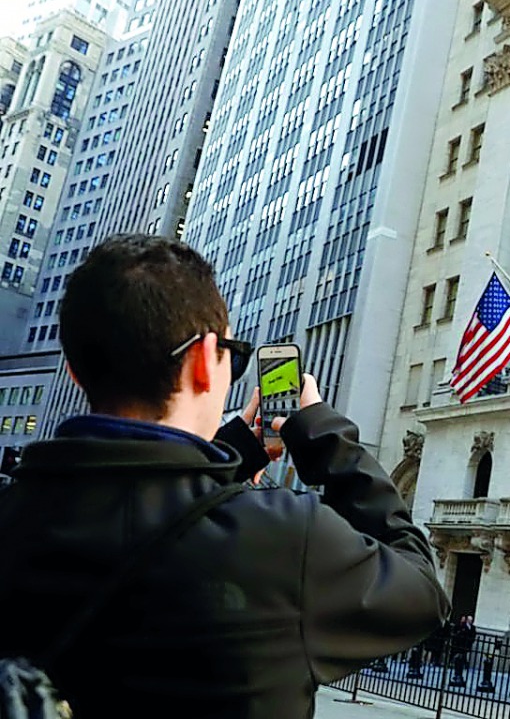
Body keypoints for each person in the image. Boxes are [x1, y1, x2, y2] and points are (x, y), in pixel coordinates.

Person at [0, 235, 450, 718]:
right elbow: (422, 590)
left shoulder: (13, 515)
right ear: (201, 361)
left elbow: (146, 498)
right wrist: (323, 435)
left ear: (73, 371)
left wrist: (238, 447)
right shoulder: (284, 539)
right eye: (231, 353)